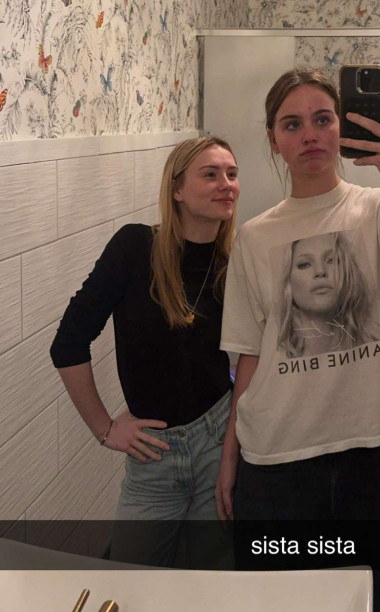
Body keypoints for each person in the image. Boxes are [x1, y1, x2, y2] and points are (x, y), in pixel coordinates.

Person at [215, 68, 380, 612]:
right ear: (274, 141)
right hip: (275, 461)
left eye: (322, 119)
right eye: (292, 124)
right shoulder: (254, 237)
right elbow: (249, 354)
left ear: (341, 128)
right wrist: (230, 455)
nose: (309, 134)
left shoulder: (378, 208)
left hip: (366, 455)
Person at [50, 135, 240, 567]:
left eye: (232, 174)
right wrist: (103, 428)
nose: (226, 183)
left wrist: (233, 440)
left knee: (212, 579)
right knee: (131, 580)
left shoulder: (235, 262)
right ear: (177, 189)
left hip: (218, 440)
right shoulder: (135, 248)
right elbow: (68, 342)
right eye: (210, 174)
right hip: (154, 452)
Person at [278, 231, 379, 357]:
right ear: (288, 281)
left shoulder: (377, 343)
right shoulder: (275, 356)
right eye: (305, 264)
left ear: (349, 272)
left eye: (332, 260)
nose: (320, 271)